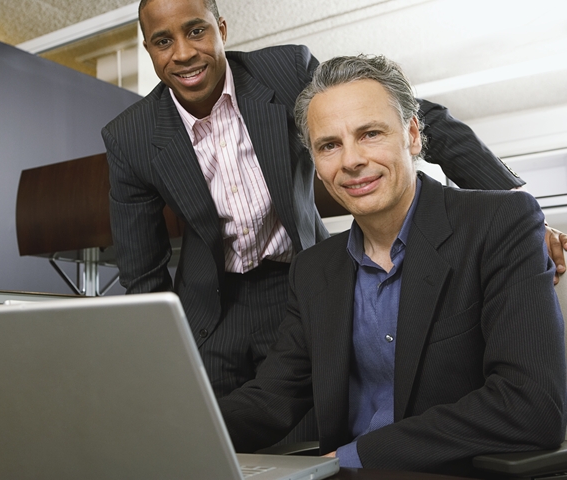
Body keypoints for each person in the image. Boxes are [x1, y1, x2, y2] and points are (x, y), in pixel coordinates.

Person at [101, 0, 567, 442]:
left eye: (196, 30)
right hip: (213, 308)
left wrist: (519, 213)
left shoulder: (283, 71)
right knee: (214, 436)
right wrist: (154, 386)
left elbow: (413, 117)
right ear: (149, 50)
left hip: (296, 278)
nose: (183, 53)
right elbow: (142, 272)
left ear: (221, 30)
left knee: (317, 432)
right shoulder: (130, 136)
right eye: (163, 42)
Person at [217, 54, 566, 475]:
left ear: (413, 134)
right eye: (329, 145)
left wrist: (358, 455)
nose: (350, 161)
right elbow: (272, 398)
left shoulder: (498, 225)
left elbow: (530, 404)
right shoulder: (313, 270)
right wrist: (174, 430)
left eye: (370, 134)